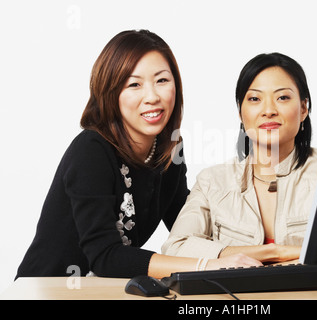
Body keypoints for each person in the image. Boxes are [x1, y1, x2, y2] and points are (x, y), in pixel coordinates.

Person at [15, 30, 261, 280]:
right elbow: (105, 257)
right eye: (134, 84)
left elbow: (187, 228)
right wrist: (205, 265)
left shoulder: (170, 147)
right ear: (111, 93)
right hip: (46, 290)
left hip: (103, 293)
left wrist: (263, 253)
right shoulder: (91, 150)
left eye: (162, 81)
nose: (152, 96)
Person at [162, 53, 317, 264]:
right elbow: (176, 247)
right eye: (255, 99)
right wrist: (274, 253)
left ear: (303, 109)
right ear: (240, 113)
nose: (268, 110)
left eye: (282, 97)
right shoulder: (213, 181)